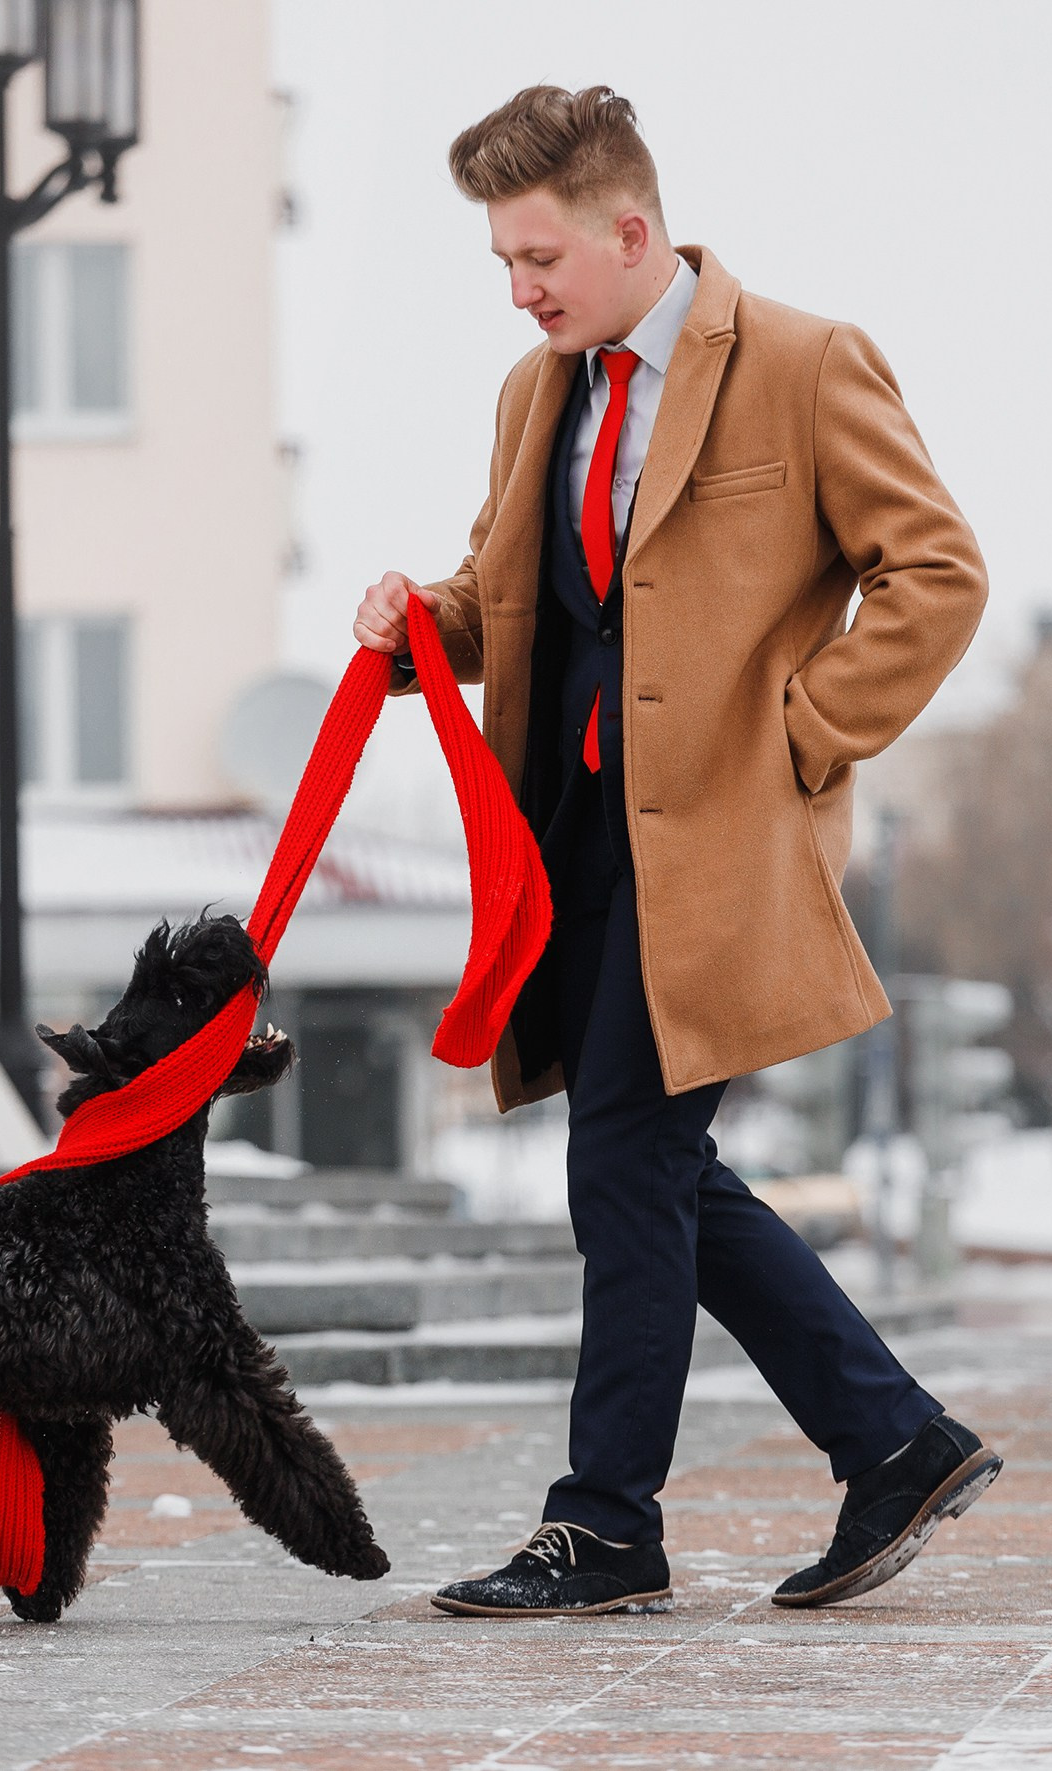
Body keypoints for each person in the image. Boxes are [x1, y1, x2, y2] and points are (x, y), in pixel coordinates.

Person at [353, 85, 1000, 1618]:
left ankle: (607, 1525)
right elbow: (514, 592)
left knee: (626, 1161)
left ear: (628, 229)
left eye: (538, 257)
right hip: (570, 842)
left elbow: (938, 571)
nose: (520, 291)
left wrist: (797, 738)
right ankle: (894, 1439)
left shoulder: (801, 362)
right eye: (505, 264)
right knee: (653, 1166)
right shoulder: (538, 391)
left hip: (712, 849)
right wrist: (417, 629)